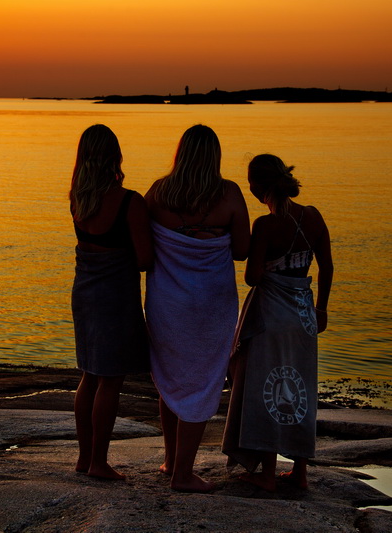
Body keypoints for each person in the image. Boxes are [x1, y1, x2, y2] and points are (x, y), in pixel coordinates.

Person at [144, 124, 250, 492]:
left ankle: (172, 460)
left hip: (167, 302)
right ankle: (182, 474)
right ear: (215, 156)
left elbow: (140, 245)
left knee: (172, 376)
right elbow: (240, 250)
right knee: (203, 380)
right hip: (212, 303)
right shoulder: (230, 194)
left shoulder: (158, 193)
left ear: (181, 153)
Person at [222, 153, 333, 491]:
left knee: (267, 389)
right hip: (303, 316)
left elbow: (253, 277)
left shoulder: (265, 225)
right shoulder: (312, 216)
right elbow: (326, 267)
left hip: (271, 316)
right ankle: (299, 472)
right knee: (300, 390)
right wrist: (322, 309)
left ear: (259, 186)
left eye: (251, 181)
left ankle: (267, 473)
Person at [69, 124, 153, 480]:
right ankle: (100, 463)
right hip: (115, 297)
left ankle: (84, 458)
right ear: (114, 154)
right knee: (110, 380)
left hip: (84, 292)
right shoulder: (129, 201)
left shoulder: (77, 197)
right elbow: (144, 259)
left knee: (89, 375)